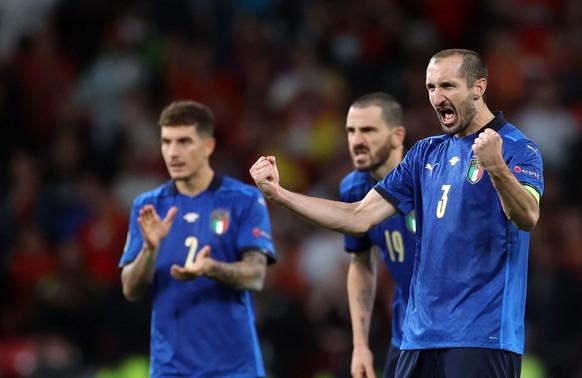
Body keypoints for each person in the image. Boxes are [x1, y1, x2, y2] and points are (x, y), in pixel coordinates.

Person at [250, 48, 543, 377]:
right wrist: (280, 195)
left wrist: (497, 167)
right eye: (431, 88)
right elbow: (358, 216)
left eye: (448, 86)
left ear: (478, 87)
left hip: (481, 336)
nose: (437, 97)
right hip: (418, 338)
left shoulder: (518, 147)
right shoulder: (425, 153)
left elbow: (527, 216)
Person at [119, 100, 276, 377]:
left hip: (235, 368)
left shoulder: (244, 200)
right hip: (171, 369)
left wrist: (210, 268)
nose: (173, 152)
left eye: (184, 141)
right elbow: (130, 289)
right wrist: (149, 249)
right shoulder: (148, 207)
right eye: (166, 142)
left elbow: (255, 275)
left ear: (208, 146)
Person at [340, 92, 415, 378]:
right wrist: (360, 345)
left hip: (453, 331)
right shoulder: (354, 188)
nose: (357, 140)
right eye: (351, 131)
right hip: (405, 332)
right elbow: (360, 263)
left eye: (368, 130)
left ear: (397, 136)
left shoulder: (428, 181)